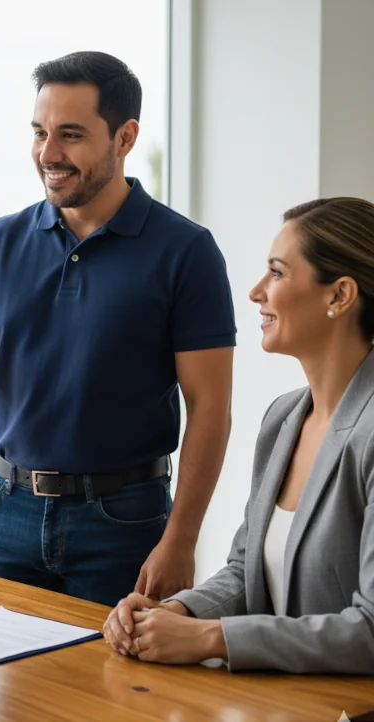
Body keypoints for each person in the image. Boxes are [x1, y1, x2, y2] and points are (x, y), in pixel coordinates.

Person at [0, 51, 236, 607]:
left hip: (125, 519)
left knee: (112, 692)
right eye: (39, 133)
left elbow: (210, 408)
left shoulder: (186, 251)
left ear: (125, 137)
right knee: (4, 690)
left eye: (70, 135)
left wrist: (180, 539)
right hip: (7, 510)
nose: (48, 154)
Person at [104, 197, 374, 674]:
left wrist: (210, 637)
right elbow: (245, 572)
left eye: (276, 272)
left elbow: (369, 631)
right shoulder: (283, 419)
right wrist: (174, 613)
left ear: (339, 296)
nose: (255, 292)